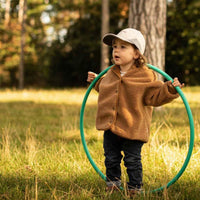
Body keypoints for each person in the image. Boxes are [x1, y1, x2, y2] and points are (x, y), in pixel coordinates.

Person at [87, 28, 184, 196]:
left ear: (136, 53)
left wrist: (170, 89)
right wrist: (97, 81)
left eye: (123, 47)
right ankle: (113, 184)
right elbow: (107, 89)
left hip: (133, 128)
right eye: (114, 46)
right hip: (111, 126)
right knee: (111, 158)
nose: (116, 50)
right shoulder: (111, 73)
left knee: (132, 160)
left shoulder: (146, 76)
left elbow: (155, 96)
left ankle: (134, 188)